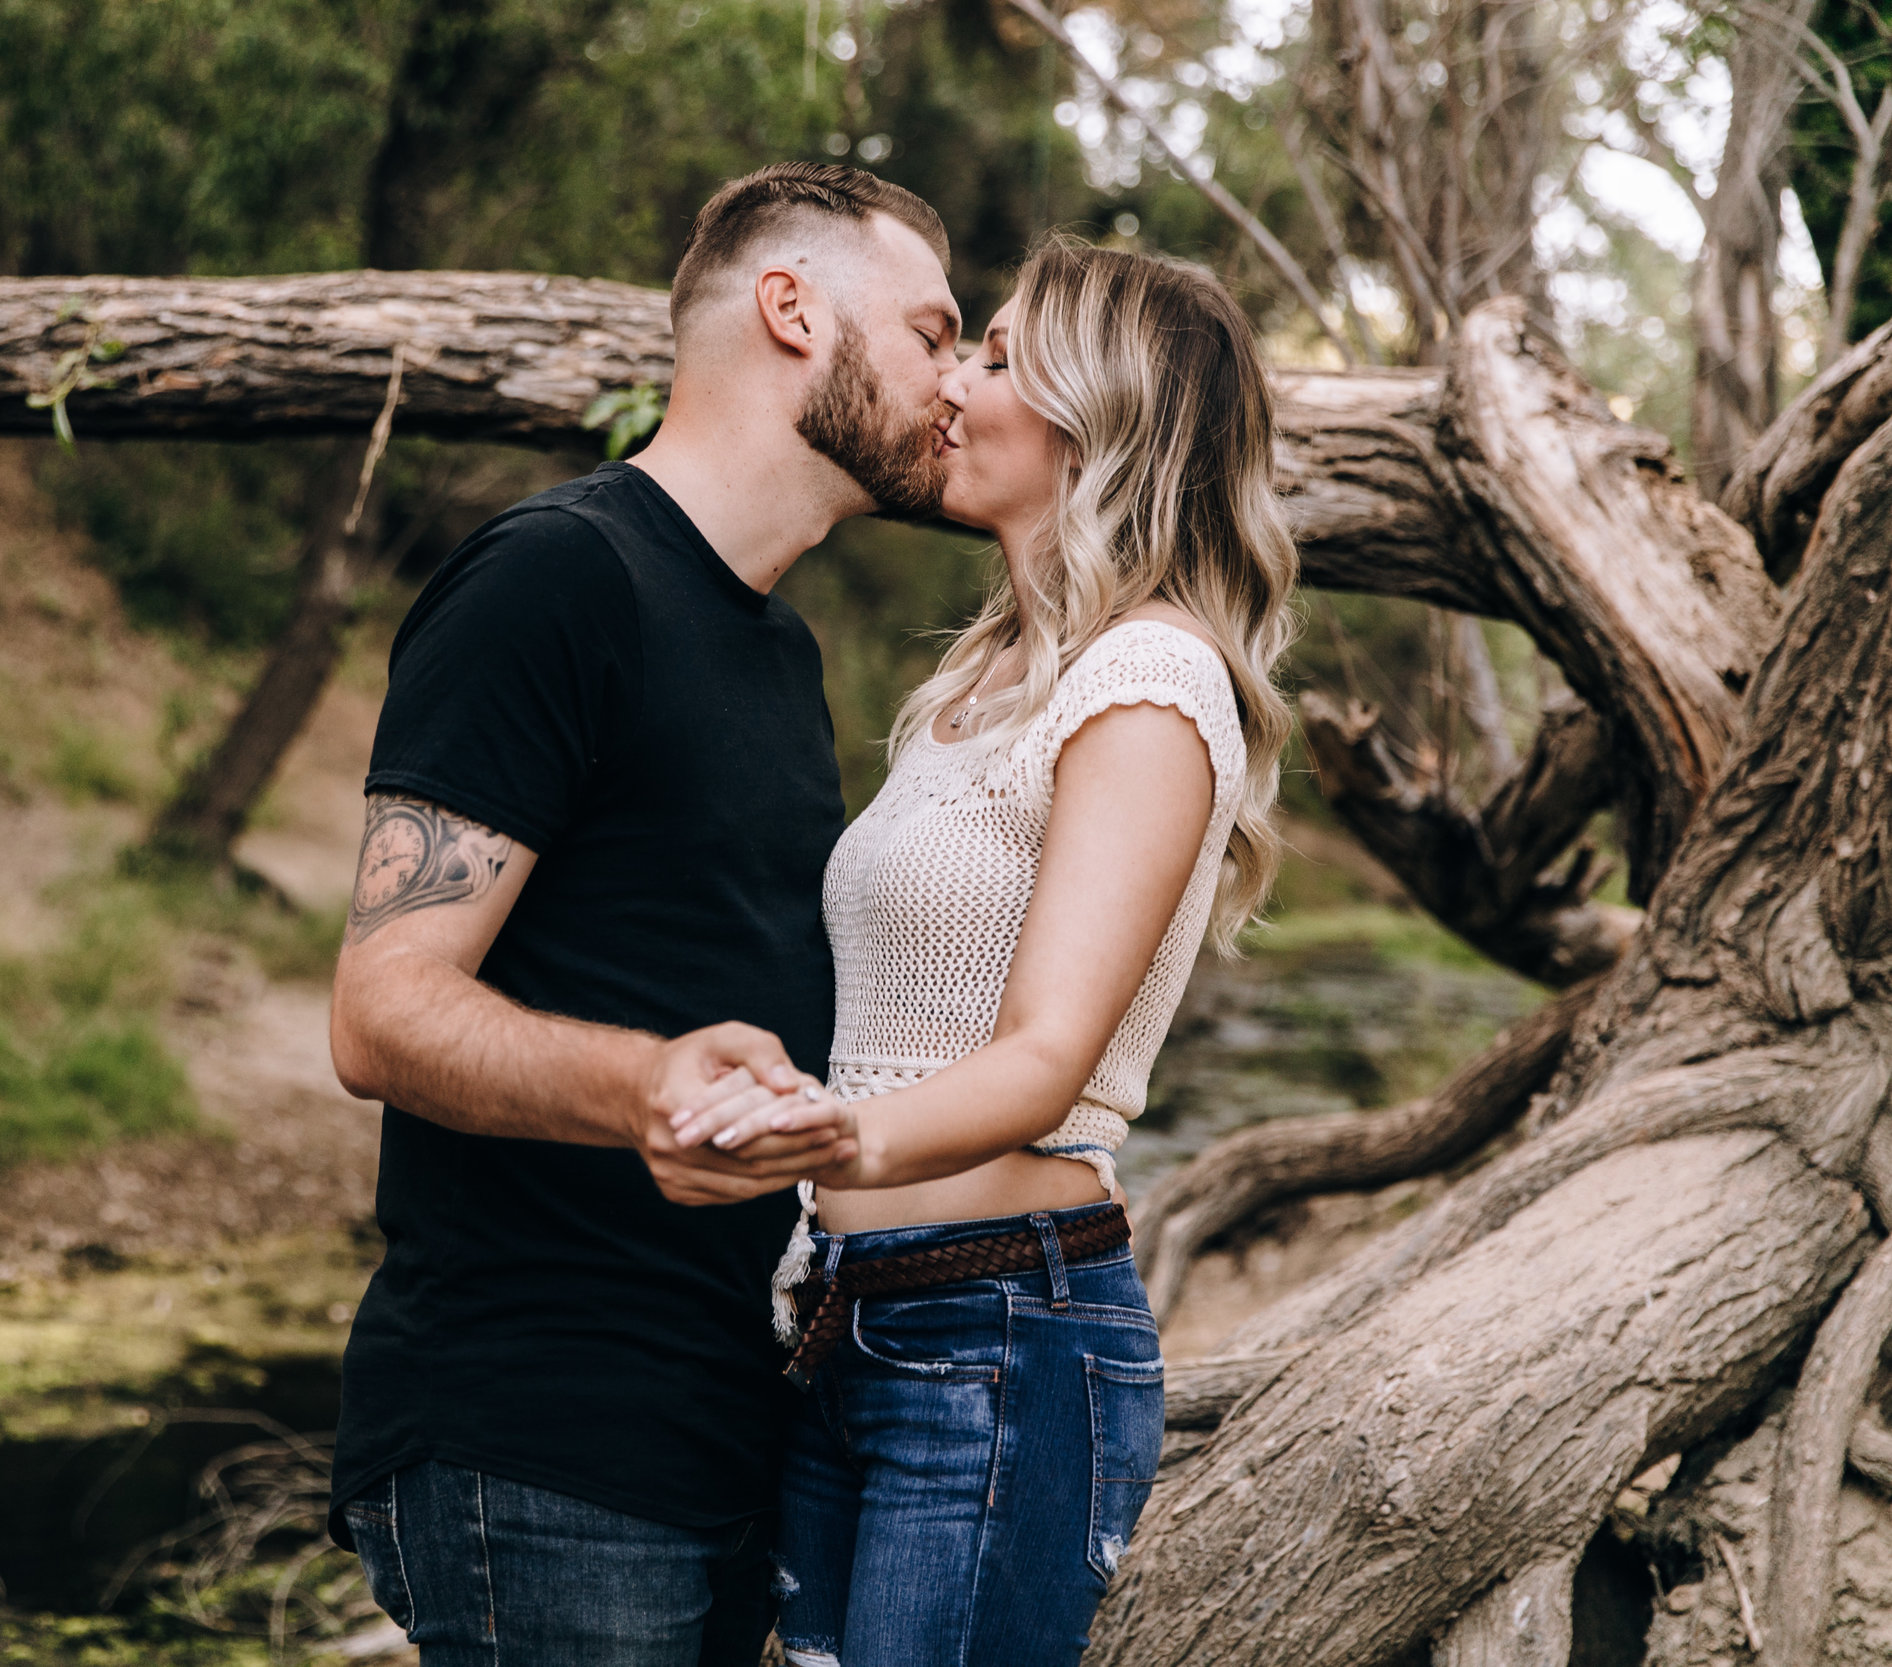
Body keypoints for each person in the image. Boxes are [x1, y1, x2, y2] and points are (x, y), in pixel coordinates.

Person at [324, 162, 964, 1666]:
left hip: (725, 1425)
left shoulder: (780, 652)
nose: (957, 378)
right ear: (793, 308)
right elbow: (381, 1007)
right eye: (935, 330)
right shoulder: (557, 578)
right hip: (543, 1438)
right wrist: (645, 1085)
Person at [669, 239, 1299, 1666]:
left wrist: (820, 1137)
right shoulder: (977, 683)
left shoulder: (1150, 676)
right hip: (850, 1313)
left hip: (1001, 1335)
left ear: (1103, 412)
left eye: (1000, 357)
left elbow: (1043, 1060)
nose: (951, 383)